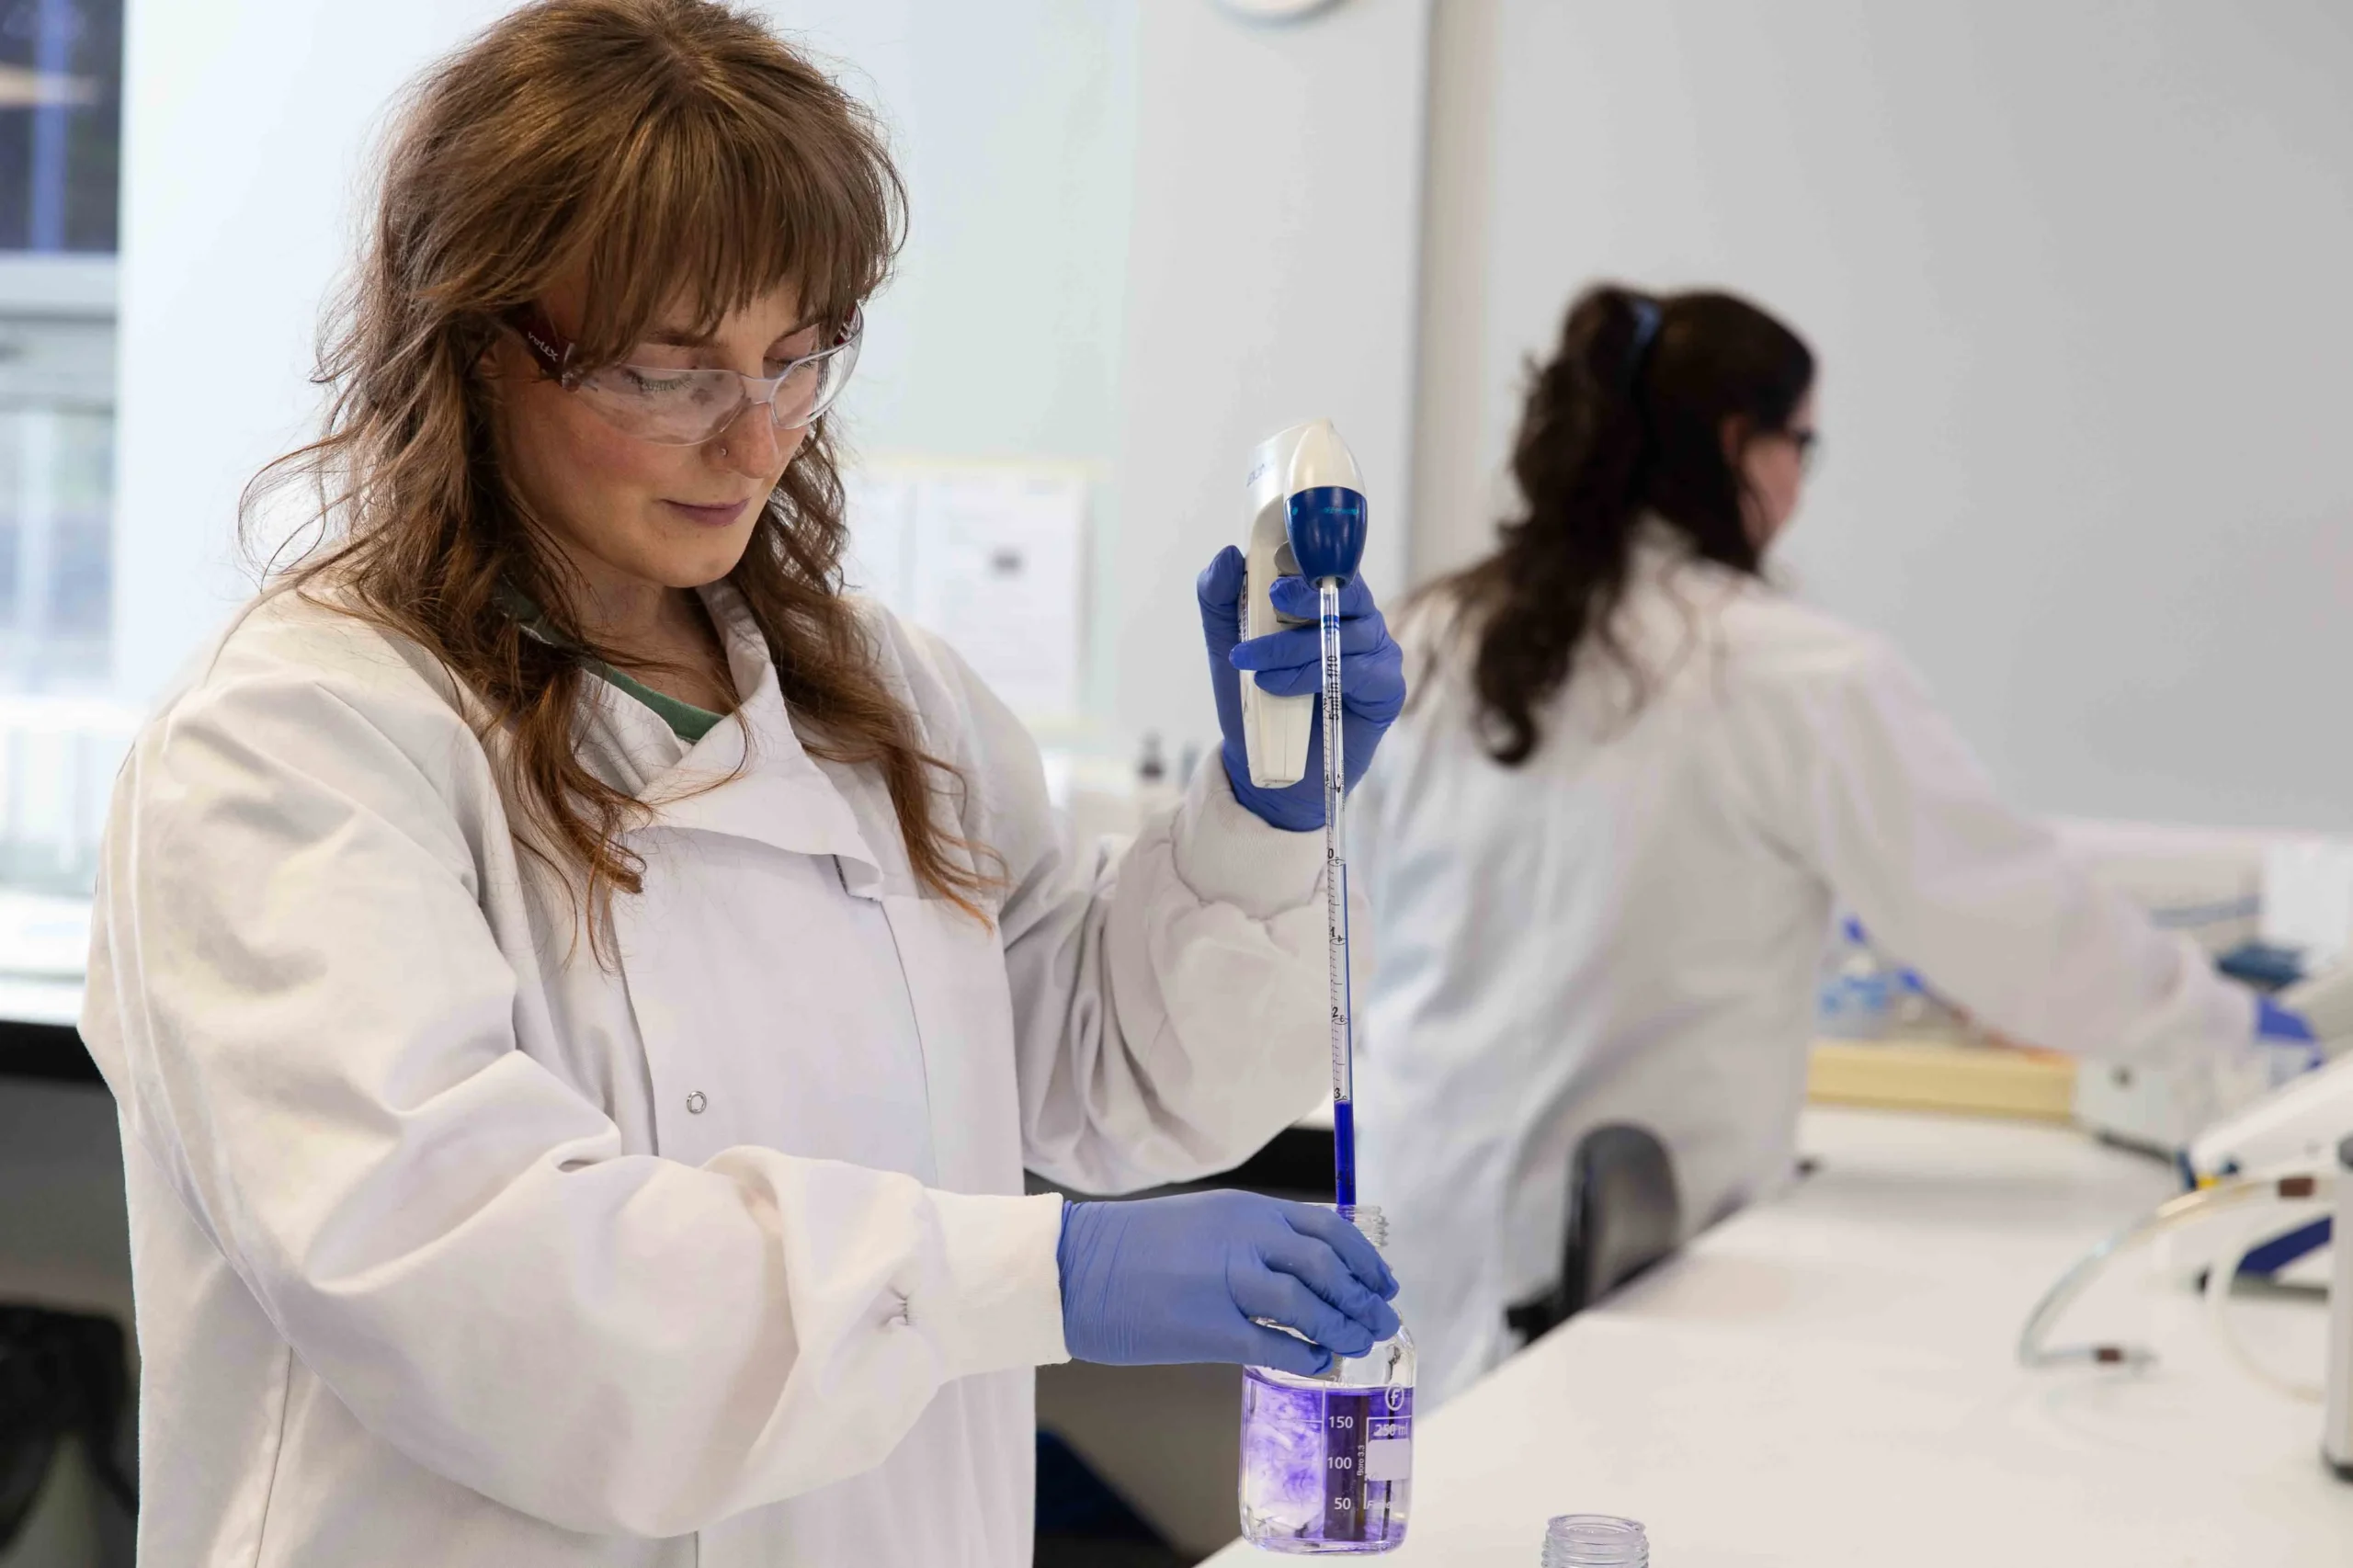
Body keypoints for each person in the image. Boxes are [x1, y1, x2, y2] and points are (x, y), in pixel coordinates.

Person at [77, 3, 1408, 1563]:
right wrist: (1039, 1278)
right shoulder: (293, 741)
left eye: (797, 359)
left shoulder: (885, 695)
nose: (756, 439)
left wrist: (1266, 815)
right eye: (672, 371)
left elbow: (1106, 1078)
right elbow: (479, 1282)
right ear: (476, 342)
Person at [1352, 283, 2305, 1408]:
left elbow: (1353, 910)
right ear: (1736, 447)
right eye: (1800, 444)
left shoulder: (1425, 634)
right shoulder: (1787, 672)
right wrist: (2237, 1028)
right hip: (1604, 1288)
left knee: (1403, 1489)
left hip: (1400, 1231)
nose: (1801, 480)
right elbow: (2016, 928)